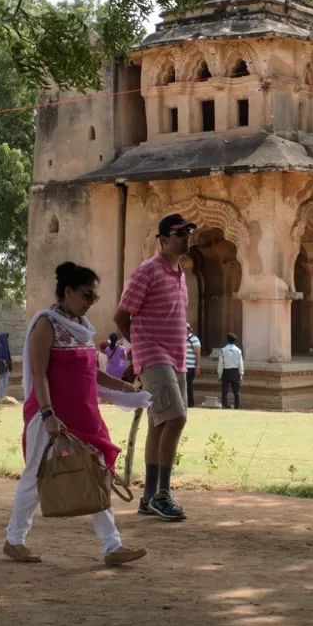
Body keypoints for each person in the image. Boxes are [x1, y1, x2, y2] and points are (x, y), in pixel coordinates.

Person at [4, 262, 148, 566]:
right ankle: (14, 540)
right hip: (51, 417)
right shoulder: (46, 324)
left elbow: (92, 374)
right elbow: (39, 375)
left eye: (94, 297)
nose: (90, 302)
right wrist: (48, 414)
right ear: (67, 291)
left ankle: (112, 546)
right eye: (87, 295)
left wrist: (127, 388)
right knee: (34, 476)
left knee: (95, 473)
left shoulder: (81, 328)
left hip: (83, 416)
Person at [114, 213, 195, 522]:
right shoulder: (147, 271)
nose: (185, 237)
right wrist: (138, 352)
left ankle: (149, 497)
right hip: (154, 355)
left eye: (188, 232)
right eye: (178, 233)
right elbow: (122, 317)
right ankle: (163, 494)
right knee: (176, 416)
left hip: (175, 358)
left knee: (158, 424)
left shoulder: (179, 273)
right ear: (162, 239)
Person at [218, 333, 244, 409]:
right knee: (236, 391)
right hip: (235, 372)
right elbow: (240, 363)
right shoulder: (238, 350)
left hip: (226, 371)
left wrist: (219, 374)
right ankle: (237, 405)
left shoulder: (223, 350)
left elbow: (220, 363)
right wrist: (241, 374)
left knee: (224, 390)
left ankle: (224, 405)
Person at [0, 332, 13, 403]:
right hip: (1, 368)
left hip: (6, 368)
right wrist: (3, 361)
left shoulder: (5, 347)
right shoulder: (0, 346)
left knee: (5, 384)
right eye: (6, 338)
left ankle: (4, 398)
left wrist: (9, 362)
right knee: (0, 384)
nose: (7, 340)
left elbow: (8, 357)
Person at [185, 324, 202, 408]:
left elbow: (198, 354)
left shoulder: (194, 340)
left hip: (190, 367)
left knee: (188, 385)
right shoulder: (180, 338)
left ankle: (190, 403)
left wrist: (197, 367)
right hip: (182, 367)